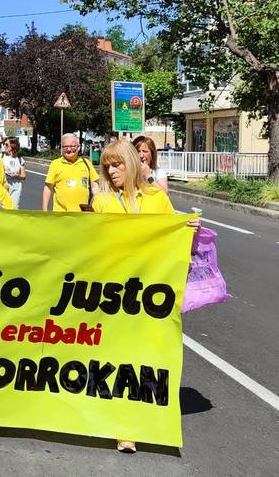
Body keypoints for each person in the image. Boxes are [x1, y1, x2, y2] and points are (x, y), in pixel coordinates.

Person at [91, 140, 199, 453]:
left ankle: (137, 421)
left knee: (143, 358)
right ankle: (123, 428)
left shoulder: (156, 199)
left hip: (149, 293)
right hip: (112, 293)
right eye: (107, 165)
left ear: (132, 164)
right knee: (117, 358)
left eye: (117, 164)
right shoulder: (101, 203)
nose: (111, 171)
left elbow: (177, 245)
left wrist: (188, 229)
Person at [42, 133, 99, 212]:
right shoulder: (55, 164)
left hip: (83, 215)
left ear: (78, 147)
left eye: (72, 146)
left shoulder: (87, 163)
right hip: (61, 215)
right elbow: (48, 188)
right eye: (65, 147)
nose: (69, 149)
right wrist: (45, 210)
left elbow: (94, 186)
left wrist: (97, 204)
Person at [1, 137, 27, 209]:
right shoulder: (0, 157)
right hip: (3, 186)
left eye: (6, 144)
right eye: (4, 144)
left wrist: (17, 176)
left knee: (14, 208)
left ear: (13, 146)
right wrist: (3, 168)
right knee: (2, 207)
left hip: (16, 187)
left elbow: (24, 176)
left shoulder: (19, 159)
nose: (4, 146)